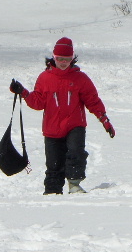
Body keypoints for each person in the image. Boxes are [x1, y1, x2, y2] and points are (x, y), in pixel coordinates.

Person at [9, 37, 115, 195]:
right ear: (54, 57)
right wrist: (23, 92)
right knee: (54, 164)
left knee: (76, 153)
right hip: (52, 128)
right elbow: (38, 102)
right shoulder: (45, 78)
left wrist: (105, 121)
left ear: (72, 59)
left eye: (67, 59)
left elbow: (93, 101)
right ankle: (52, 192)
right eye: (60, 59)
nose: (63, 62)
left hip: (75, 125)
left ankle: (74, 185)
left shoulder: (81, 79)